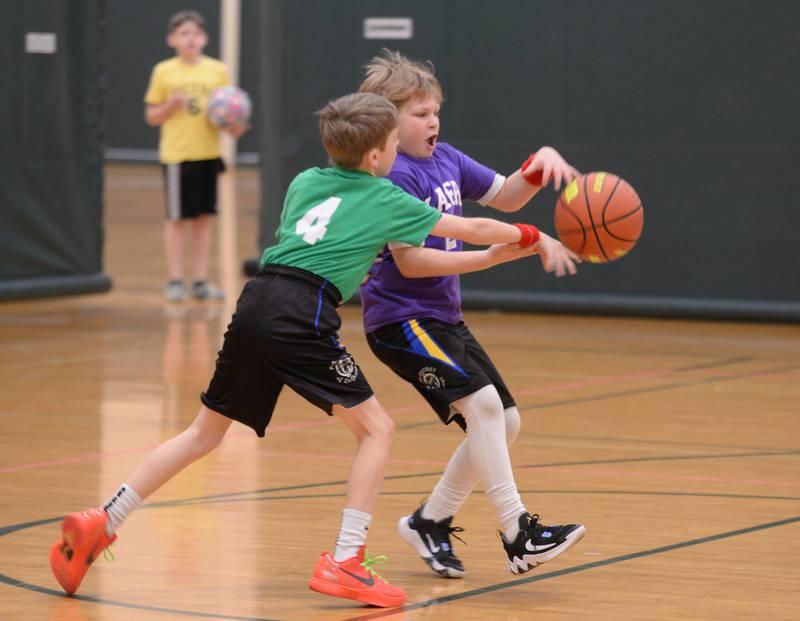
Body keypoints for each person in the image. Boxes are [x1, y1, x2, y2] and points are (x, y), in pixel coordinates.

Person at [49, 92, 561, 608]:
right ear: (378, 157)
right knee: (376, 430)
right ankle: (345, 560)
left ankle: (103, 519)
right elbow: (469, 227)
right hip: (303, 311)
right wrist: (529, 235)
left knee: (203, 433)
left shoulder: (304, 183)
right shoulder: (386, 198)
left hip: (255, 300)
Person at [358, 49, 586, 579]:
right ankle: (518, 532)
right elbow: (410, 264)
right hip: (400, 320)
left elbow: (505, 197)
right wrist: (485, 257)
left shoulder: (448, 159)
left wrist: (537, 165)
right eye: (420, 113)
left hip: (440, 317)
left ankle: (430, 520)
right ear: (388, 123)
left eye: (435, 109)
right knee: (483, 404)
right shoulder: (394, 179)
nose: (433, 120)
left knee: (505, 421)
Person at [144, 10, 247, 302]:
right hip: (178, 156)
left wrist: (233, 126)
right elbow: (151, 115)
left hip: (208, 154)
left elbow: (225, 115)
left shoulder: (217, 71)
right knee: (177, 219)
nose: (190, 38)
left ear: (204, 38)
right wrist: (170, 106)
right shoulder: (164, 71)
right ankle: (175, 280)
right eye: (183, 34)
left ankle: (200, 281)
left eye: (195, 33)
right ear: (172, 40)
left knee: (204, 219)